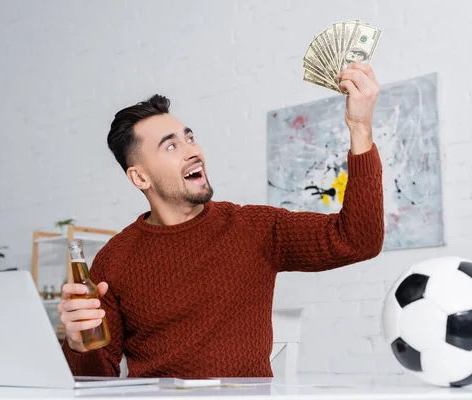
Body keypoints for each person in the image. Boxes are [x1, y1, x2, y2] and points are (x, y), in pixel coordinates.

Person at [57, 62, 385, 378]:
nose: (192, 150)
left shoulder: (256, 228)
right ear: (140, 177)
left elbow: (358, 240)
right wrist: (77, 342)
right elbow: (95, 381)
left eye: (189, 138)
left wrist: (359, 127)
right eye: (171, 146)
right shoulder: (113, 261)